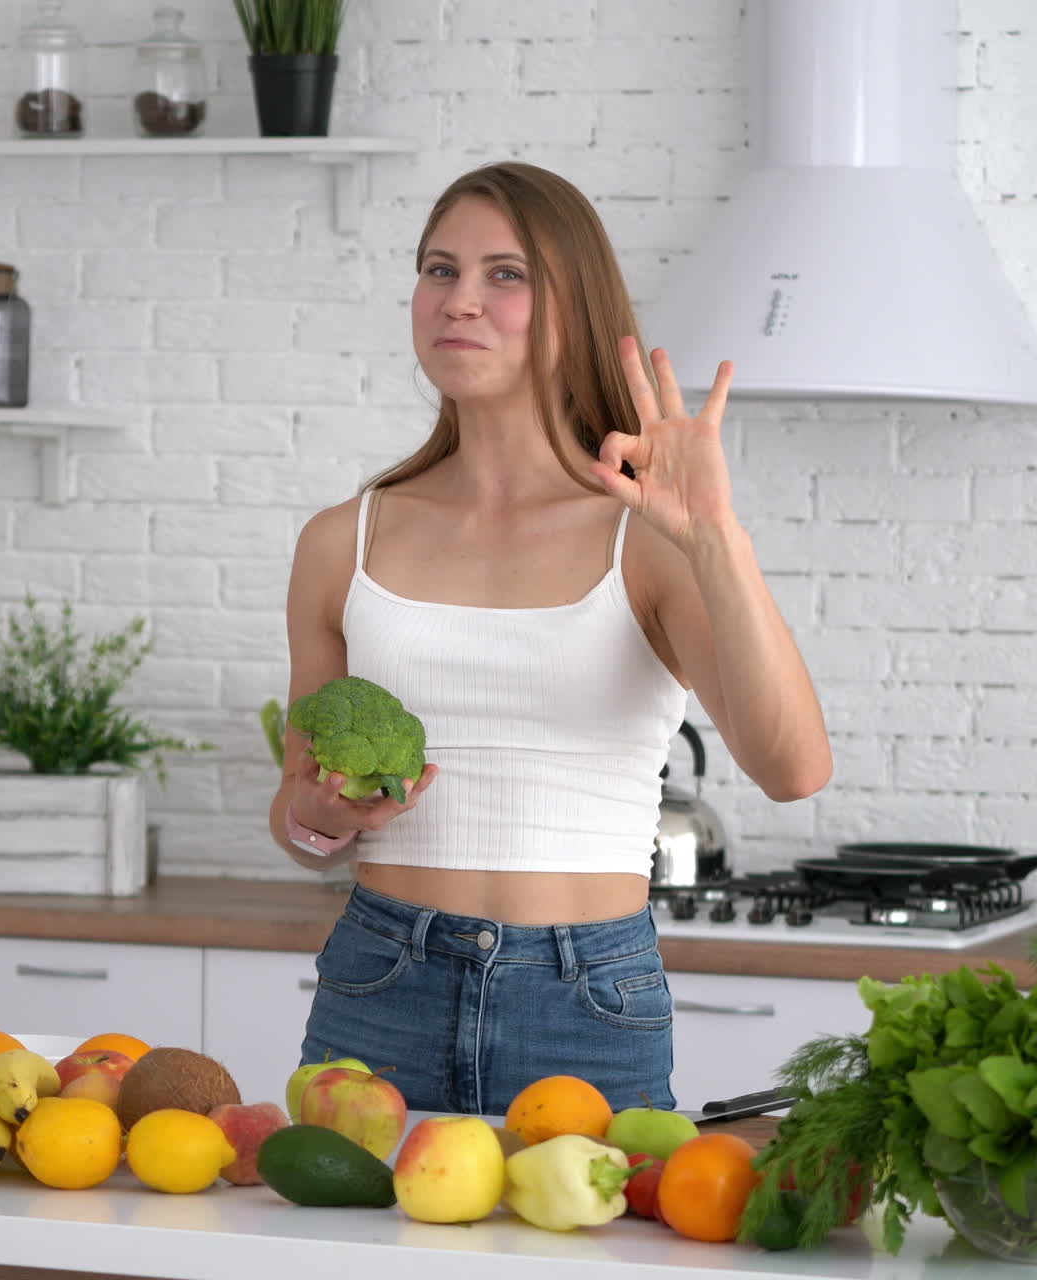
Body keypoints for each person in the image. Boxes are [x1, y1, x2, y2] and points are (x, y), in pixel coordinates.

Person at [269, 161, 832, 1117]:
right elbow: (296, 817)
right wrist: (326, 818)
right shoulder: (340, 542)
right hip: (378, 981)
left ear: (575, 308)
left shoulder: (646, 537)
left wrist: (714, 537)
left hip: (585, 997)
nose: (461, 301)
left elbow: (794, 768)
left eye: (507, 275)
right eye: (440, 270)